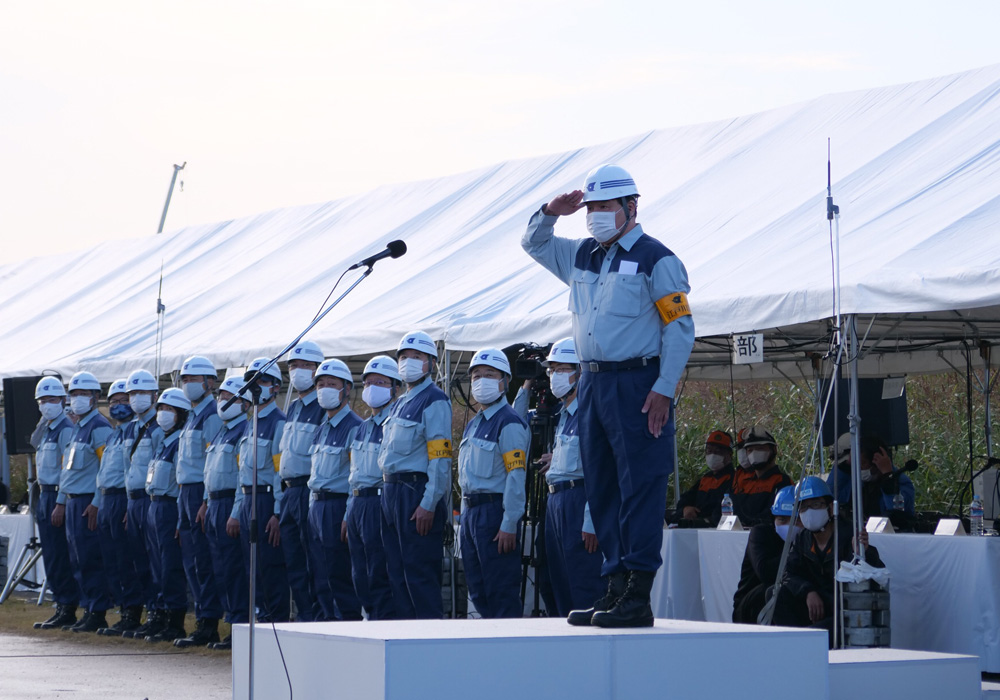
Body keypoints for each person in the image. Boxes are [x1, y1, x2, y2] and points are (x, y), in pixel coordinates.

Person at [522, 163, 695, 627]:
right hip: (593, 381)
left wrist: (664, 390)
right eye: (591, 208)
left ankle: (637, 596)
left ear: (630, 208)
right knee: (600, 489)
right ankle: (614, 588)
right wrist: (549, 212)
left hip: (638, 383)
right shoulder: (583, 256)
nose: (596, 215)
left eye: (605, 207)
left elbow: (679, 329)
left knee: (639, 488)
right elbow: (534, 243)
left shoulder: (657, 259)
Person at [378, 330, 452, 620]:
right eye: (404, 357)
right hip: (391, 493)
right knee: (396, 574)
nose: (408, 361)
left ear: (431, 363)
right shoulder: (399, 403)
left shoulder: (434, 400)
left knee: (419, 575)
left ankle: (430, 644)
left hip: (414, 493)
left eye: (417, 357)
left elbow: (440, 459)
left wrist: (429, 503)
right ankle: (406, 642)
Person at [773, 476, 885, 647]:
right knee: (778, 595)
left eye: (816, 505)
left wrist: (863, 552)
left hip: (840, 611)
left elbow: (876, 573)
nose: (809, 511)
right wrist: (808, 591)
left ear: (830, 507)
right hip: (813, 606)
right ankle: (787, 646)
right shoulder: (802, 539)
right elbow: (789, 574)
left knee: (814, 636)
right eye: (803, 507)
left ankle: (803, 644)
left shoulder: (849, 535)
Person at [535, 338, 604, 617]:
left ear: (580, 372)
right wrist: (557, 460)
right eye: (551, 371)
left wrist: (592, 519)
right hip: (556, 502)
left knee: (583, 582)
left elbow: (599, 471)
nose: (554, 377)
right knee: (556, 582)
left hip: (579, 501)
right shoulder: (564, 414)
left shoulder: (590, 412)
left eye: (562, 369)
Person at [458, 348, 528, 618]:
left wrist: (510, 522)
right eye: (476, 375)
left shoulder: (508, 422)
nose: (481, 380)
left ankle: (509, 653)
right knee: (478, 590)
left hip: (494, 513)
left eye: (490, 375)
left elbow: (516, 475)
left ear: (505, 381)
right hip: (471, 514)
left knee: (500, 591)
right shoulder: (474, 423)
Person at [55, 371, 114, 632]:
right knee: (77, 559)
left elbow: (106, 467)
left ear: (95, 397)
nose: (77, 399)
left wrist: (97, 501)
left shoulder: (99, 427)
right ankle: (88, 608)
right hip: (73, 501)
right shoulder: (77, 428)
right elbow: (67, 471)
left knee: (91, 558)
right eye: (74, 394)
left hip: (88, 502)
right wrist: (62, 500)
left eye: (83, 394)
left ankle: (97, 611)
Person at [306, 358, 363, 621]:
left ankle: (345, 627)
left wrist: (347, 516)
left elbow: (355, 477)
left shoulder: (355, 427)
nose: (324, 389)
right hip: (316, 507)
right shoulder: (320, 430)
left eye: (332, 384)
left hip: (337, 506)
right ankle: (326, 627)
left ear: (346, 389)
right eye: (320, 384)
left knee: (339, 574)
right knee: (320, 574)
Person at [174, 355, 224, 647]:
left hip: (200, 491)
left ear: (210, 382)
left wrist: (205, 499)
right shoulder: (193, 414)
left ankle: (209, 622)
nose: (188, 384)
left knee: (204, 560)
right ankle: (203, 617)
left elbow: (212, 461)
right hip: (185, 491)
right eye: (185, 379)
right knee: (191, 561)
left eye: (193, 379)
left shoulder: (212, 415)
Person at [235, 357, 290, 622]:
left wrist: (278, 512)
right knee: (251, 566)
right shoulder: (250, 422)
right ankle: (257, 615)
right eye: (252, 382)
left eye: (264, 381)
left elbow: (281, 471)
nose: (257, 387)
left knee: (270, 566)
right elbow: (242, 472)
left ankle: (274, 620)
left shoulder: (279, 422)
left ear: (276, 387)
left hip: (267, 499)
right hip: (248, 500)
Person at [346, 355, 399, 620]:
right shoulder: (361, 427)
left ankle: (384, 624)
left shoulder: (395, 424)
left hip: (380, 501)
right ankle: (370, 621)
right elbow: (352, 473)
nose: (372, 387)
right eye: (368, 382)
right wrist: (348, 512)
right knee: (359, 574)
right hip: (357, 503)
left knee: (379, 570)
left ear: (394, 388)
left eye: (380, 382)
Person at [200, 375, 250, 651]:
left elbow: (244, 476)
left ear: (244, 403)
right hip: (214, 503)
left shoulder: (244, 430)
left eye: (230, 398)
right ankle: (229, 621)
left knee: (234, 569)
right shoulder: (222, 431)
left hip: (231, 503)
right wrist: (206, 501)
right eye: (221, 397)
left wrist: (236, 511)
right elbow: (211, 472)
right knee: (219, 567)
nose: (223, 402)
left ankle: (239, 624)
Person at [278, 340, 327, 622]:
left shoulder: (322, 406)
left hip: (310, 491)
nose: (297, 371)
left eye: (304, 366)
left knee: (315, 561)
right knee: (294, 561)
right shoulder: (294, 407)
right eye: (293, 366)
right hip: (289, 492)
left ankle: (318, 618)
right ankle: (304, 616)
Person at [93, 379, 143, 636]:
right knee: (111, 559)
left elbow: (130, 471)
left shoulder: (136, 431)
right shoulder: (114, 434)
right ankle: (123, 609)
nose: (119, 406)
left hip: (123, 498)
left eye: (124, 400)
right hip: (106, 499)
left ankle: (133, 611)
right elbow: (104, 472)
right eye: (113, 402)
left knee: (126, 559)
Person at [31, 376, 81, 630]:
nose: (46, 405)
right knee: (51, 552)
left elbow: (67, 470)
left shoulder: (65, 430)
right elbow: (32, 441)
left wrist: (61, 502)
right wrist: (44, 420)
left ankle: (68, 605)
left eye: (52, 400)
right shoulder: (49, 428)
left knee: (62, 553)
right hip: (44, 493)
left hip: (59, 493)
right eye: (42, 401)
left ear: (63, 400)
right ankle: (61, 603)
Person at [143, 388, 191, 643]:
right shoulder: (162, 442)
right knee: (157, 566)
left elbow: (182, 481)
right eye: (161, 408)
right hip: (154, 505)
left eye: (170, 410)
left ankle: (175, 621)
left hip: (170, 507)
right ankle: (159, 615)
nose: (163, 414)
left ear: (181, 415)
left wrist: (181, 517)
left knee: (171, 566)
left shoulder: (180, 442)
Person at [120, 369, 163, 639]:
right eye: (133, 394)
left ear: (154, 396)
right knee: (138, 560)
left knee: (155, 559)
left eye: (142, 393)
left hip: (151, 500)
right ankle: (148, 610)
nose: (136, 399)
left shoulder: (158, 427)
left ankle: (159, 612)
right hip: (133, 501)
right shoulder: (132, 428)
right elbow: (129, 470)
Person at [732, 485, 801, 624]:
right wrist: (795, 551)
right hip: (752, 605)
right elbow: (765, 571)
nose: (788, 526)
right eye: (782, 520)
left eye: (794, 520)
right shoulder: (760, 534)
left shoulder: (807, 538)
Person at [826, 432, 916, 519]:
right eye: (857, 464)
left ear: (877, 460)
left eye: (863, 463)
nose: (860, 468)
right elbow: (831, 497)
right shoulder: (859, 481)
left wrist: (888, 478)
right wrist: (844, 467)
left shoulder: (901, 481)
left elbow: (897, 510)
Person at [731, 427, 792, 527]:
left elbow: (771, 516)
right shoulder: (743, 482)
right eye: (750, 450)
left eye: (760, 448)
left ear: (774, 450)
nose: (754, 453)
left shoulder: (782, 482)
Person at [676, 430, 736, 526]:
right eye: (709, 451)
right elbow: (685, 499)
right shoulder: (705, 479)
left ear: (729, 455)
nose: (713, 455)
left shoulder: (734, 479)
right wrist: (685, 508)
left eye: (718, 451)